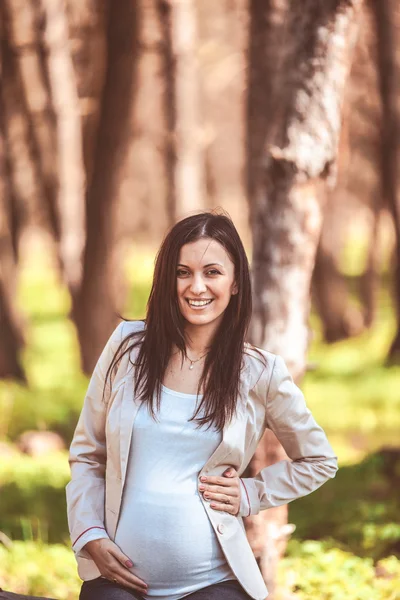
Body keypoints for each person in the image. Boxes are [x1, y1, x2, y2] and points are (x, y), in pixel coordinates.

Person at [66, 211, 338, 600]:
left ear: (235, 283)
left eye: (212, 272)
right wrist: (90, 533)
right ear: (167, 278)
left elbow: (319, 460)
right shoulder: (128, 347)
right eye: (183, 272)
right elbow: (88, 453)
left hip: (213, 583)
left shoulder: (259, 372)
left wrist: (251, 494)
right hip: (117, 580)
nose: (197, 286)